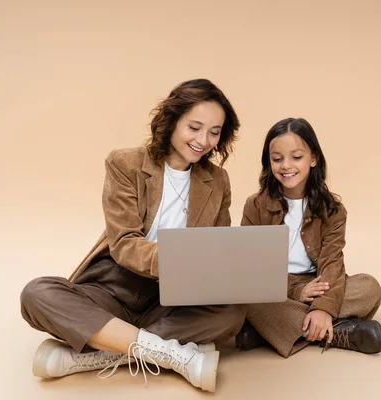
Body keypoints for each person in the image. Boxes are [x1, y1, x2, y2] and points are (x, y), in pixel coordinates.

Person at [20, 79, 244, 392]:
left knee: (233, 313)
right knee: (36, 293)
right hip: (112, 288)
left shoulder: (217, 180)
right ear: (173, 120)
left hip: (171, 298)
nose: (203, 140)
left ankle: (99, 354)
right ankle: (170, 354)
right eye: (194, 127)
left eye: (214, 132)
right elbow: (125, 243)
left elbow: (216, 245)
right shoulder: (125, 163)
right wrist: (185, 259)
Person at [235, 117, 381, 358]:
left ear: (313, 159)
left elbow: (332, 262)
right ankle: (339, 333)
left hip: (318, 283)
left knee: (369, 287)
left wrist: (324, 308)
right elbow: (252, 267)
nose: (286, 166)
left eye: (296, 157)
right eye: (277, 159)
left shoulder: (333, 209)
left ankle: (269, 332)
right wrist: (295, 291)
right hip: (274, 286)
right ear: (268, 162)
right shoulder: (256, 205)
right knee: (246, 298)